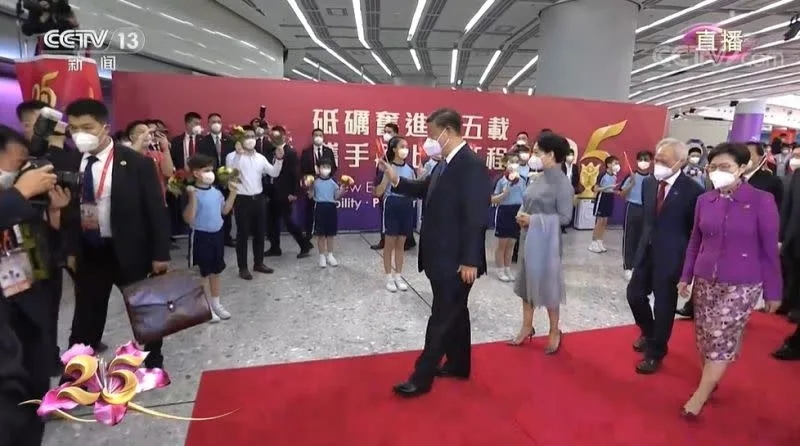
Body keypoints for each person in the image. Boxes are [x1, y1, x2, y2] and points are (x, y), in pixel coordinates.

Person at [379, 108, 489, 398]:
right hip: (440, 256)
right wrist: (396, 180)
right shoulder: (444, 164)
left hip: (457, 260)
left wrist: (470, 260)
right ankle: (459, 364)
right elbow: (426, 189)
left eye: (432, 135)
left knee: (441, 317)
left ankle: (421, 377)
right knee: (456, 312)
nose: (430, 141)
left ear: (448, 132)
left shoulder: (471, 165)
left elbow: (476, 216)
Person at [61, 99, 171, 369]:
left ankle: (153, 359)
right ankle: (78, 371)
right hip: (90, 251)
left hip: (130, 250)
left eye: (87, 127)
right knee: (86, 317)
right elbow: (67, 213)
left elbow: (155, 211)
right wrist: (70, 250)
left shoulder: (136, 163)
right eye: (74, 128)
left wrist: (160, 254)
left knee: (145, 310)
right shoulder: (70, 163)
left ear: (105, 127)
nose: (80, 134)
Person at [677, 142, 782, 417]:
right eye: (713, 167)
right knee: (704, 336)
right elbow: (695, 241)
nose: (717, 172)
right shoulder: (705, 200)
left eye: (725, 167)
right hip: (705, 278)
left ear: (742, 167)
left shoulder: (761, 200)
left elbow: (769, 249)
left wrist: (773, 291)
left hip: (742, 282)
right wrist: (686, 275)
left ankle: (699, 396)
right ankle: (710, 380)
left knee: (719, 336)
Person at [0, 126, 70, 446]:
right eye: (18, 163)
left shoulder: (20, 198)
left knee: (33, 387)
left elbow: (43, 248)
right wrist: (17, 194)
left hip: (29, 300)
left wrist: (53, 215)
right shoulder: (15, 196)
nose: (26, 170)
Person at [626, 138, 704, 374]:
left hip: (672, 256)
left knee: (663, 305)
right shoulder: (649, 183)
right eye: (657, 159)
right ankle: (649, 333)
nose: (657, 164)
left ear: (680, 162)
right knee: (635, 295)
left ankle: (656, 352)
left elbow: (694, 231)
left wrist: (688, 267)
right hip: (646, 251)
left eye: (664, 161)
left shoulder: (693, 191)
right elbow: (647, 220)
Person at [509, 133, 574, 352]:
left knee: (549, 286)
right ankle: (527, 325)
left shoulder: (562, 184)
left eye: (537, 152)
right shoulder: (539, 177)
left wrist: (534, 220)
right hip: (528, 237)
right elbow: (528, 200)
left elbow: (565, 217)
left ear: (551, 154)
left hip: (547, 243)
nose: (533, 156)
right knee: (525, 283)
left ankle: (554, 330)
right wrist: (522, 214)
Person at [183, 154, 237, 322]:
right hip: (200, 236)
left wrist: (233, 193)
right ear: (196, 173)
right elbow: (189, 218)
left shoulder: (216, 192)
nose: (210, 174)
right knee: (202, 273)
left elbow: (225, 211)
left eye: (211, 170)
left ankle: (216, 304)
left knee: (216, 271)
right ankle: (204, 307)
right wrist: (192, 197)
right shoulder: (191, 192)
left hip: (217, 235)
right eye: (206, 170)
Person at [226, 126, 283, 280]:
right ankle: (243, 267)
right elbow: (231, 173)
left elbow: (274, 173)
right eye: (247, 136)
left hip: (259, 199)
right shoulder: (232, 156)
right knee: (243, 234)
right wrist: (239, 154)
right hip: (242, 200)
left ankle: (259, 263)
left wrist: (279, 159)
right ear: (240, 139)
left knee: (259, 233)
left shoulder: (260, 158)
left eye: (253, 136)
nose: (251, 139)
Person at [373, 136, 416, 292]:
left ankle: (398, 275)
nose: (405, 149)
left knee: (401, 244)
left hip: (406, 206)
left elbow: (414, 191)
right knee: (389, 243)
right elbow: (378, 192)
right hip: (392, 204)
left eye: (406, 146)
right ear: (394, 149)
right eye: (402, 146)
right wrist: (385, 177)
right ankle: (389, 277)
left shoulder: (410, 170)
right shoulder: (387, 167)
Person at [264, 126, 312, 258]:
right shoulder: (269, 151)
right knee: (271, 221)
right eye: (272, 136)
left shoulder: (290, 152)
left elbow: (296, 174)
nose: (273, 138)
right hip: (271, 191)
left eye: (277, 136)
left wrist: (294, 193)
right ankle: (275, 247)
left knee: (289, 222)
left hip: (285, 193)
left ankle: (305, 245)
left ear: (283, 137)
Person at [371, 123, 416, 252]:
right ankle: (385, 240)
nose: (386, 135)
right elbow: (380, 182)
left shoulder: (406, 164)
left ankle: (407, 241)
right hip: (389, 197)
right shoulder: (386, 156)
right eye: (385, 131)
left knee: (404, 226)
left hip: (404, 199)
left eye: (389, 132)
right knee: (388, 223)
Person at [197, 113, 235, 246]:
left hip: (227, 180)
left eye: (218, 121)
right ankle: (214, 235)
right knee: (212, 208)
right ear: (208, 124)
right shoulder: (202, 142)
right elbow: (201, 161)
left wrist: (228, 178)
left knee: (227, 210)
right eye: (213, 121)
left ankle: (227, 237)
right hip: (210, 181)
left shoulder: (230, 140)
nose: (216, 124)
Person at [491, 153, 525, 282]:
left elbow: (525, 197)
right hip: (504, 211)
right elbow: (493, 199)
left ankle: (507, 268)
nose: (514, 165)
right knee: (502, 244)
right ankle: (500, 270)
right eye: (511, 162)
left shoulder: (522, 180)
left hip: (517, 212)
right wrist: (504, 194)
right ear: (506, 164)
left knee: (511, 243)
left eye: (516, 162)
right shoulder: (501, 180)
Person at [308, 158, 347, 267]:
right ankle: (321, 257)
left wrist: (342, 190)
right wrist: (310, 187)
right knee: (320, 235)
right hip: (320, 208)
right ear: (318, 168)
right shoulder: (315, 182)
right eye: (323, 167)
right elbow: (310, 196)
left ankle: (330, 256)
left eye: (328, 167)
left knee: (330, 234)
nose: (325, 169)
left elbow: (336, 196)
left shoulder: (333, 183)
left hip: (331, 209)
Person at [620, 151, 653, 279]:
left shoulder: (653, 179)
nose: (644, 162)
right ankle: (628, 267)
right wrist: (630, 184)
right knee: (630, 238)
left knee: (643, 238)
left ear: (651, 162)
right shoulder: (631, 176)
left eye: (646, 159)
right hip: (632, 207)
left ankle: (638, 266)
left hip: (647, 209)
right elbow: (621, 194)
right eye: (641, 159)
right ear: (637, 161)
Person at [300, 128, 337, 242]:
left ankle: (324, 231)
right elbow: (302, 169)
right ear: (312, 137)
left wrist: (325, 177)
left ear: (323, 137)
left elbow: (334, 167)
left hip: (325, 184)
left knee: (324, 209)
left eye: (320, 135)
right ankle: (309, 232)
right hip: (311, 185)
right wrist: (308, 180)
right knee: (310, 209)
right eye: (316, 135)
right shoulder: (306, 152)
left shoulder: (328, 151)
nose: (318, 137)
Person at [588, 155, 620, 253]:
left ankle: (599, 241)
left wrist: (616, 191)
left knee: (605, 221)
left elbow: (611, 189)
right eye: (615, 163)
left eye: (618, 163)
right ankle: (593, 243)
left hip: (609, 198)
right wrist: (607, 187)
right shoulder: (602, 175)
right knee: (600, 221)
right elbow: (596, 189)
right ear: (608, 164)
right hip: (602, 198)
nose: (617, 165)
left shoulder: (614, 176)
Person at [743, 141, 783, 207]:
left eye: (749, 154)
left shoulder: (772, 181)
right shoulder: (732, 177)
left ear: (760, 158)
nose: (744, 158)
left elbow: (775, 207)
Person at [560, 147, 581, 232]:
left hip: (571, 190)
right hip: (561, 190)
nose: (570, 157)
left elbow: (577, 179)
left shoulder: (575, 167)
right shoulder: (561, 166)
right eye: (569, 155)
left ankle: (564, 226)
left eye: (572, 155)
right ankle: (559, 226)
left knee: (568, 208)